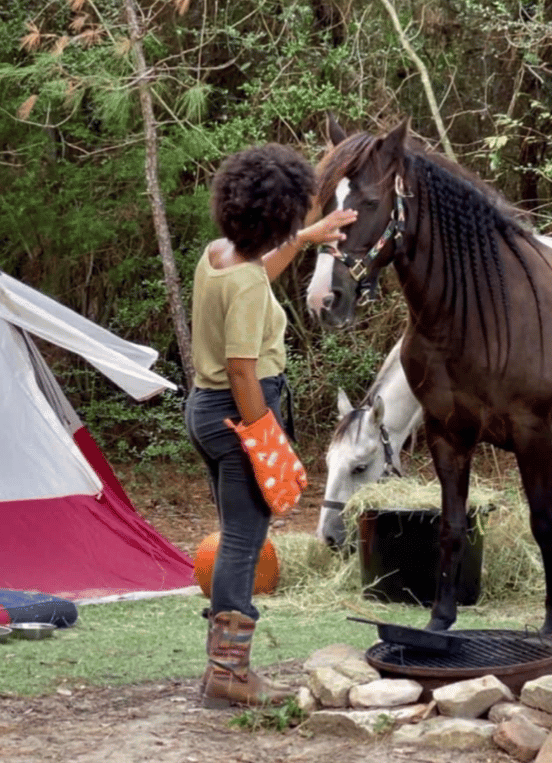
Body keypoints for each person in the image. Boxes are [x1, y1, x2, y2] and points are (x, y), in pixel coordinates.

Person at [184, 144, 357, 708]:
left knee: (239, 532)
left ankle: (221, 668)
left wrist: (307, 237)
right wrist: (267, 440)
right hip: (240, 413)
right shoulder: (249, 284)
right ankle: (230, 673)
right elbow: (241, 367)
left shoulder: (219, 255)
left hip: (205, 412)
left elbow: (261, 266)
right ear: (275, 216)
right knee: (242, 540)